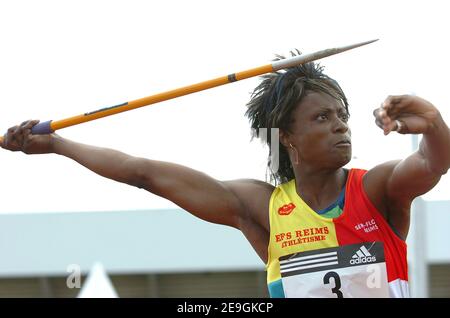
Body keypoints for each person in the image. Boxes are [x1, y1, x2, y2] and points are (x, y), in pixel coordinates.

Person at [1, 52, 449, 298]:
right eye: (321, 117)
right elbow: (144, 173)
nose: (340, 125)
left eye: (342, 115)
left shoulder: (375, 189)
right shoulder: (263, 208)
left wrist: (433, 124)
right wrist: (59, 145)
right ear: (286, 137)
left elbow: (433, 163)